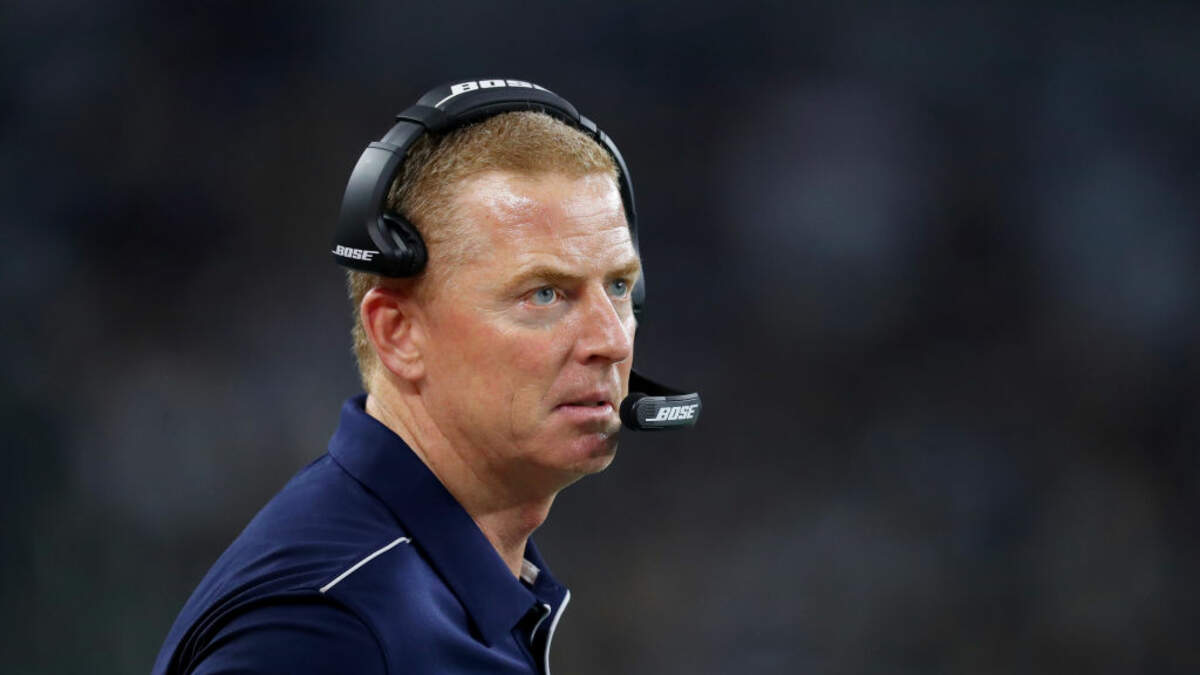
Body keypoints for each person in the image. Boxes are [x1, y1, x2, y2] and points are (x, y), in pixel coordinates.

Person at [151, 79, 698, 674]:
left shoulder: (426, 593)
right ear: (398, 334)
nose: (612, 341)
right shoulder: (324, 627)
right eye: (544, 293)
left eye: (618, 286)